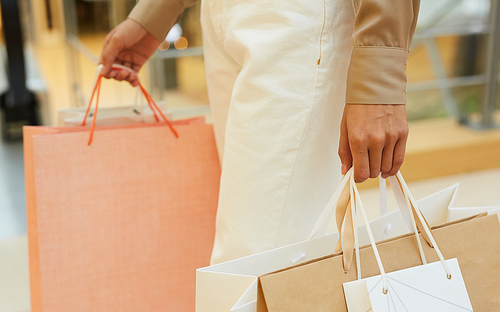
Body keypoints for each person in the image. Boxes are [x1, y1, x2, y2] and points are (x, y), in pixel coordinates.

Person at [99, 0, 420, 264]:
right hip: (219, 15)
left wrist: (381, 72)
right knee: (278, 248)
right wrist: (157, 10)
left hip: (299, 21)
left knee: (251, 261)